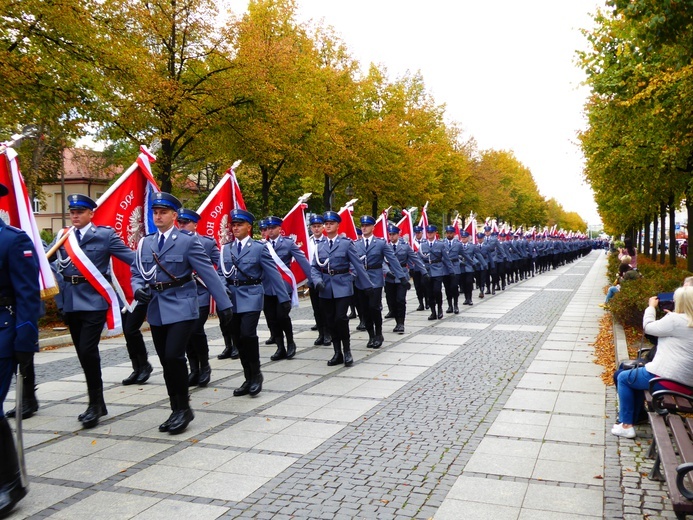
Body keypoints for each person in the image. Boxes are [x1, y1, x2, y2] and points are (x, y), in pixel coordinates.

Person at [131, 193, 233, 434]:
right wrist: (137, 289)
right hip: (156, 308)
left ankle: (184, 409)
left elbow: (207, 272)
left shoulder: (187, 241)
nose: (158, 216)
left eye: (164, 212)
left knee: (174, 355)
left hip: (182, 305)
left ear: (174, 216)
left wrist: (225, 304)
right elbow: (136, 272)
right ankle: (175, 407)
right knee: (166, 361)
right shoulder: (145, 243)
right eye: (155, 211)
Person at [49, 194, 135, 429]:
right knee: (82, 354)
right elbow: (47, 261)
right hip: (70, 302)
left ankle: (94, 405)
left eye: (79, 212)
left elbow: (132, 258)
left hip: (95, 301)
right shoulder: (62, 236)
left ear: (91, 214)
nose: (75, 216)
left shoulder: (105, 236)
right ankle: (98, 402)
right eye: (72, 212)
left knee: (88, 351)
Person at [0, 182, 41, 517]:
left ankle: (10, 483)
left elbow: (28, 296)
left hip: (2, 334)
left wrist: (25, 342)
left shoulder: (14, 241)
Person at [218, 209, 289, 396]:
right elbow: (220, 273)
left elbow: (273, 274)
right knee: (237, 339)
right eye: (233, 225)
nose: (235, 228)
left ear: (248, 227)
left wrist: (284, 298)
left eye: (239, 224)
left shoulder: (259, 248)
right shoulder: (226, 248)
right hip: (232, 297)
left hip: (251, 295)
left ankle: (256, 375)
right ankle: (247, 377)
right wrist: (222, 289)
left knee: (247, 334)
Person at [612, 287, 693, 438]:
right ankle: (636, 417)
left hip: (668, 379)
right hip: (688, 383)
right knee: (633, 377)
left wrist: (650, 308)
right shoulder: (681, 320)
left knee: (624, 378)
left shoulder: (675, 320)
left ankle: (626, 424)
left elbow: (648, 327)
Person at [311, 211, 373, 365]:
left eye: (331, 223)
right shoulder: (320, 246)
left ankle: (347, 351)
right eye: (326, 224)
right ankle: (337, 352)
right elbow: (314, 267)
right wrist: (317, 280)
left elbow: (357, 265)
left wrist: (366, 285)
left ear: (338, 225)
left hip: (342, 285)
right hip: (326, 287)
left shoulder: (346, 243)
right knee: (330, 320)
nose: (328, 226)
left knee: (341, 318)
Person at [176, 208, 219, 387]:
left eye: (186, 223)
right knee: (185, 333)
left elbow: (220, 264)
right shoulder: (174, 242)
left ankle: (205, 366)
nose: (182, 226)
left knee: (195, 329)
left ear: (195, 224)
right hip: (181, 295)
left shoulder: (207, 243)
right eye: (180, 223)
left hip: (200, 293)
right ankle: (193, 369)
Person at [354, 215, 407, 348]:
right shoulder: (356, 244)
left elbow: (393, 260)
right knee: (364, 309)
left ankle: (379, 333)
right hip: (361, 279)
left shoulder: (380, 243)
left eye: (367, 225)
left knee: (374, 307)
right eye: (362, 225)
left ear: (373, 227)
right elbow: (352, 262)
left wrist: (401, 277)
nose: (364, 228)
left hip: (375, 279)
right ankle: (371, 335)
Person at [264, 215, 312, 361]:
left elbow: (302, 261)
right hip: (266, 286)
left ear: (280, 228)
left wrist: (313, 279)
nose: (270, 231)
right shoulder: (261, 245)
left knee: (282, 316)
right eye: (268, 228)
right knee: (271, 319)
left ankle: (290, 342)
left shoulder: (288, 244)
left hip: (284, 286)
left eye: (273, 228)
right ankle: (280, 347)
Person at [385, 225, 427, 334]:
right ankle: (396, 320)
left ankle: (400, 323)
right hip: (390, 277)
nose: (391, 236)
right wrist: (386, 272)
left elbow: (415, 259)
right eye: (390, 234)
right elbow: (380, 261)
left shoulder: (405, 246)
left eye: (393, 234)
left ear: (398, 235)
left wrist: (424, 272)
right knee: (391, 301)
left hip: (402, 276)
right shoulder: (385, 246)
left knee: (400, 300)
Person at [419, 225, 454, 320]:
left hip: (438, 270)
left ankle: (439, 308)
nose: (429, 234)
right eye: (428, 233)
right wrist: (422, 268)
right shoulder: (422, 245)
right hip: (427, 271)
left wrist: (451, 271)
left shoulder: (440, 244)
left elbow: (446, 259)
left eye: (431, 232)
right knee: (429, 293)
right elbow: (419, 259)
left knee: (437, 291)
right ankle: (433, 312)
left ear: (435, 233)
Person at [307, 215, 331, 346]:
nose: (316, 229)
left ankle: (328, 333)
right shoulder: (307, 242)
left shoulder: (328, 241)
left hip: (325, 278)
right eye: (314, 227)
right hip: (312, 279)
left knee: (325, 308)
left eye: (318, 226)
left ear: (323, 227)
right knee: (316, 308)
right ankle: (321, 333)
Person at [442, 225, 462, 314]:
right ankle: (450, 305)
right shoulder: (442, 243)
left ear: (454, 234)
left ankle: (456, 305)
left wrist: (472, 262)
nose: (449, 235)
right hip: (445, 268)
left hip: (455, 267)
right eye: (447, 233)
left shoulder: (458, 244)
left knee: (454, 287)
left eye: (451, 233)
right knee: (447, 287)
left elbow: (464, 254)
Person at [411, 225, 428, 310]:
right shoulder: (411, 242)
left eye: (419, 232)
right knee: (417, 286)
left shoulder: (425, 242)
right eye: (416, 233)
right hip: (415, 268)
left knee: (424, 285)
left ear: (422, 232)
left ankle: (427, 301)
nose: (417, 234)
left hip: (424, 268)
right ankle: (421, 303)